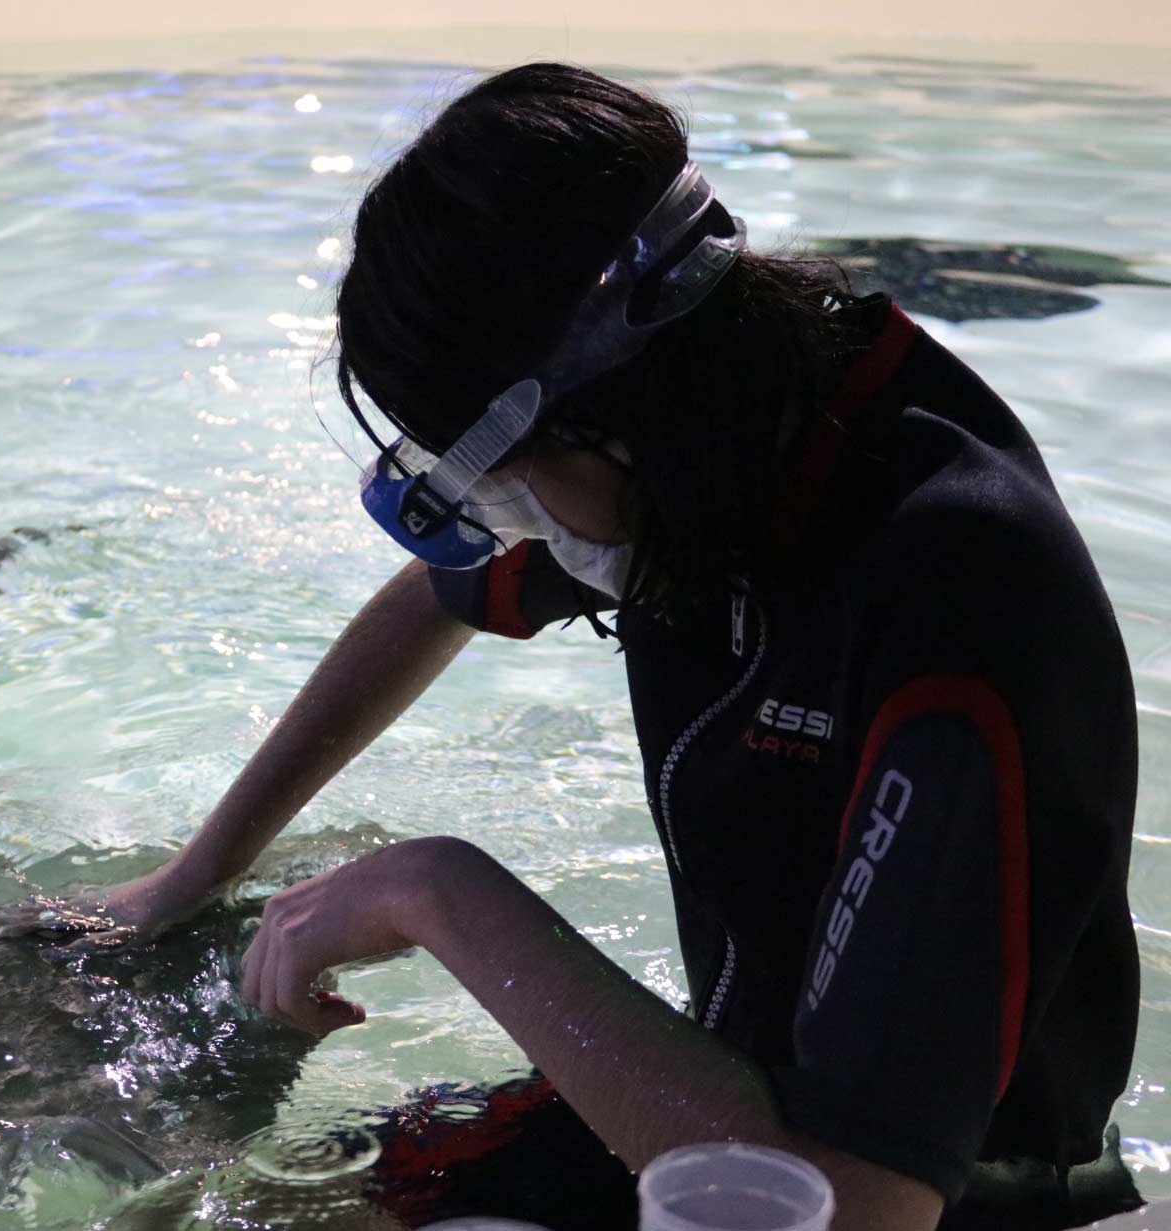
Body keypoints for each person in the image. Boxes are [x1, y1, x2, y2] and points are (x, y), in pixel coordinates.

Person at [92, 64, 1144, 1230]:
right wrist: (190, 877)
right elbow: (432, 599)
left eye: (503, 485)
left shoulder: (951, 612)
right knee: (198, 1213)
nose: (510, 527)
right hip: (734, 1105)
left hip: (935, 1202)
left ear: (600, 419)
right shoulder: (726, 432)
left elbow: (863, 1207)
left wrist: (431, 889)